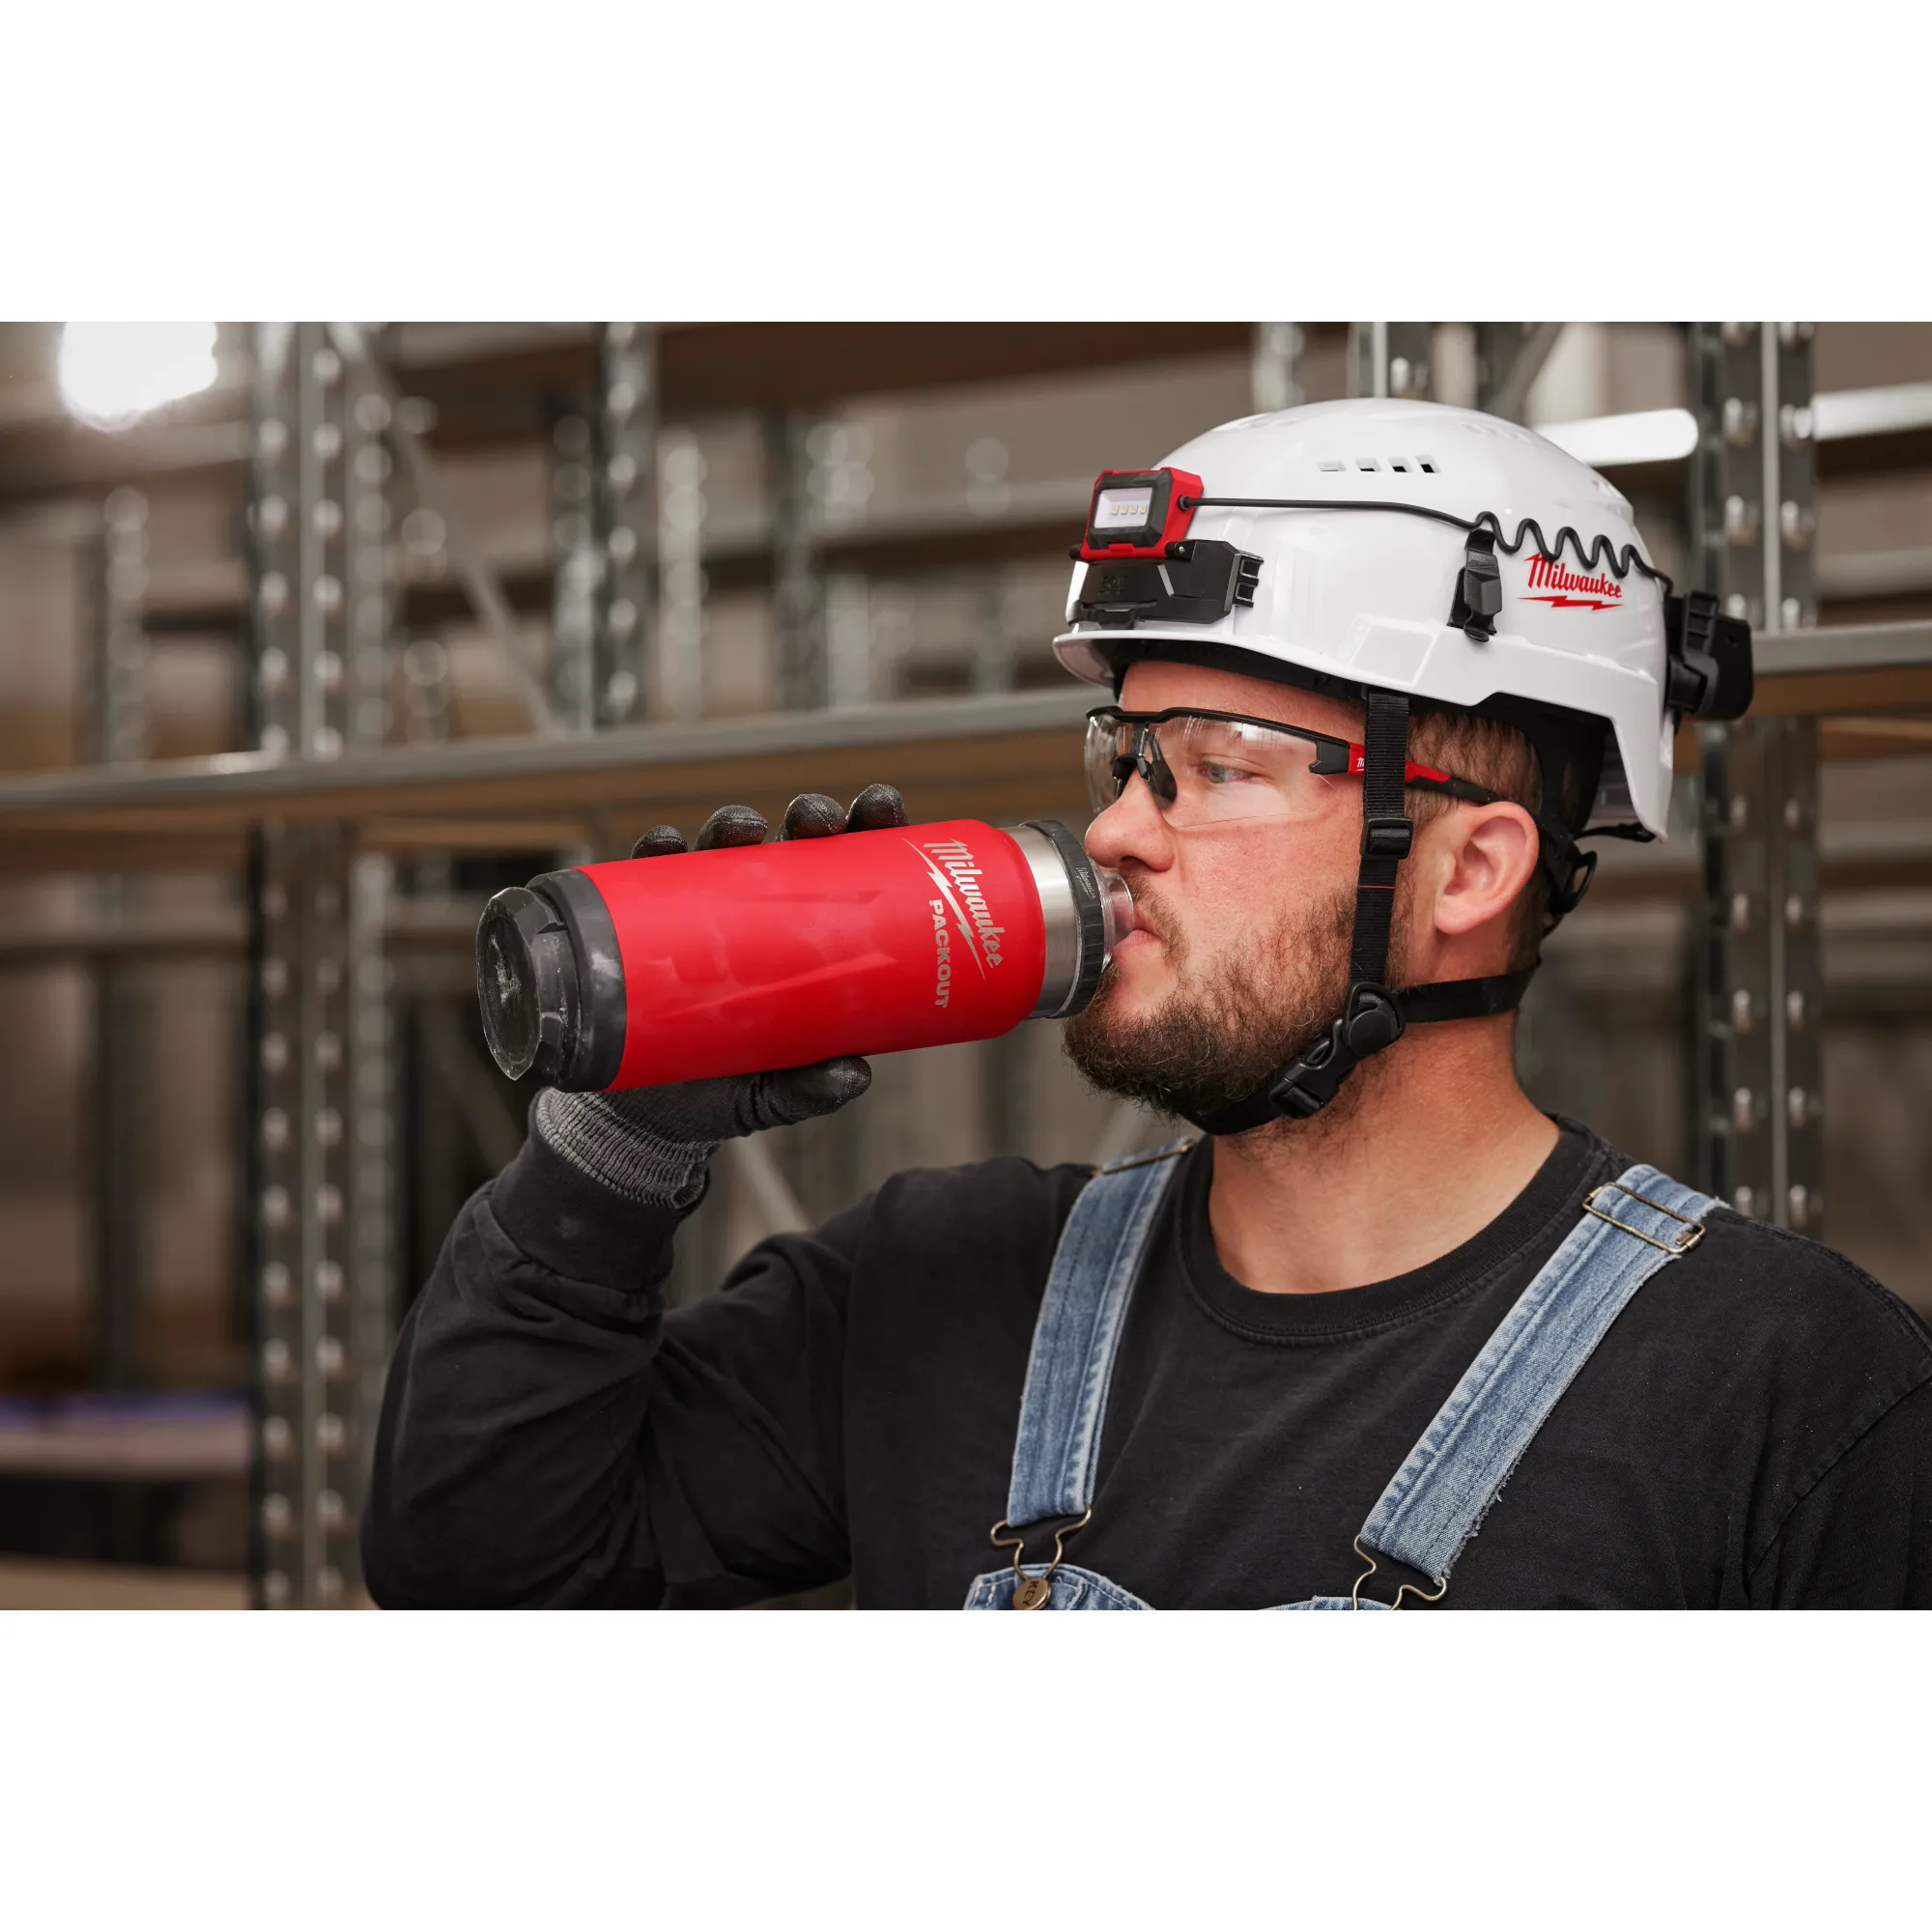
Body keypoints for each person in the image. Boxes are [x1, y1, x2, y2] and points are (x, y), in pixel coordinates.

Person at [362, 399, 1932, 1609]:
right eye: (1131, 757)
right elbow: (478, 1572)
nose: (1117, 829)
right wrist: (616, 1145)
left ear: (1469, 870)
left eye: (1227, 769)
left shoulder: (1784, 1395)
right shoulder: (934, 1294)